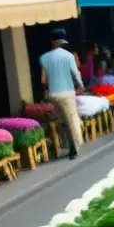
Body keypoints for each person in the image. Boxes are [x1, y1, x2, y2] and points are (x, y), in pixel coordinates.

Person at [40, 27, 84, 160]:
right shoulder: (69, 56)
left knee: (62, 121)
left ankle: (66, 145)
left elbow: (43, 80)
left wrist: (47, 93)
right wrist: (80, 85)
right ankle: (74, 148)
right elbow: (75, 73)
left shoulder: (43, 58)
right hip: (67, 93)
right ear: (61, 41)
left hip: (54, 95)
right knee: (72, 119)